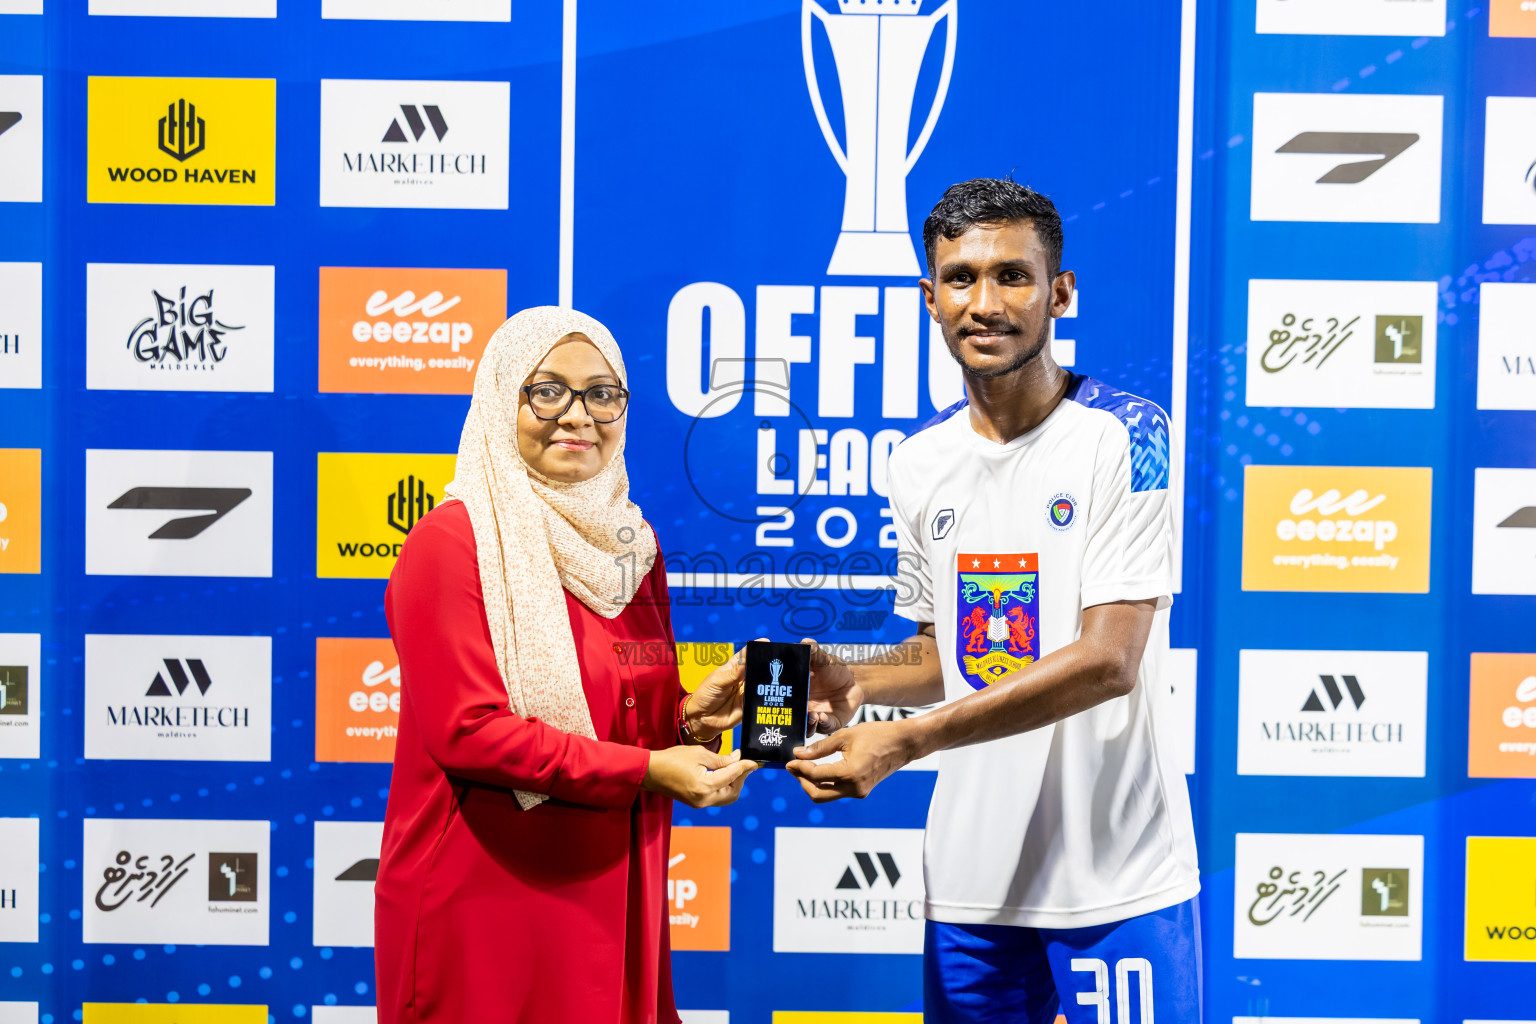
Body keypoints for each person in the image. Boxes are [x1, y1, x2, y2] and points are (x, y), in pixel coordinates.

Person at [790, 179, 1202, 1023]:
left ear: (1060, 291)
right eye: (961, 278)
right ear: (929, 297)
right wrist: (852, 677)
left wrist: (907, 741)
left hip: (1117, 876)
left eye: (1013, 276)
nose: (985, 303)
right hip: (973, 885)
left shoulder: (1129, 434)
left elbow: (1108, 661)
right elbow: (947, 652)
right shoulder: (917, 462)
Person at [374, 306, 756, 1024]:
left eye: (602, 393)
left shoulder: (630, 546)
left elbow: (624, 711)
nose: (577, 416)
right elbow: (470, 732)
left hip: (615, 884)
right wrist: (647, 771)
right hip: (486, 894)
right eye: (546, 391)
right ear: (500, 398)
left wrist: (689, 721)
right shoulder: (451, 543)